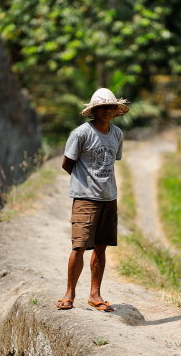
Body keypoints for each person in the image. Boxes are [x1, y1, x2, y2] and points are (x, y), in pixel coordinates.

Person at [56, 88, 129, 312]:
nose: (107, 111)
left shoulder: (117, 134)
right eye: (102, 108)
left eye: (110, 107)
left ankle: (95, 294)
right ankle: (69, 294)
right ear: (94, 111)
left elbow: (112, 161)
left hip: (109, 197)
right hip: (85, 198)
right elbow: (67, 163)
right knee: (79, 246)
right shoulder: (81, 133)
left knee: (101, 246)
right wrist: (84, 182)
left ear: (116, 111)